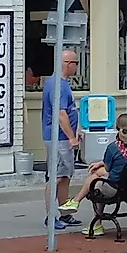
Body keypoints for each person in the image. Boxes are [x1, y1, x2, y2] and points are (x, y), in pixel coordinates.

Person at [44, 49, 86, 226]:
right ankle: (50, 216)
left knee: (65, 175)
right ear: (68, 64)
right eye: (76, 63)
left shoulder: (60, 83)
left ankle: (65, 213)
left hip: (63, 137)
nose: (76, 67)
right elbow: (61, 114)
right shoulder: (58, 86)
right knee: (57, 176)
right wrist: (71, 138)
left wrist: (76, 131)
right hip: (59, 138)